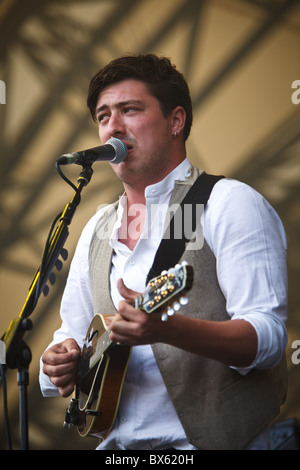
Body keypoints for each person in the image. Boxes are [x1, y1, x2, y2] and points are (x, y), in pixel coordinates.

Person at [40, 54, 288, 450]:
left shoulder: (225, 203)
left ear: (176, 121)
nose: (113, 128)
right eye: (104, 116)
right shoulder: (96, 228)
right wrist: (57, 360)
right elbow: (70, 334)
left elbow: (269, 339)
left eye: (129, 110)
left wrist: (168, 331)